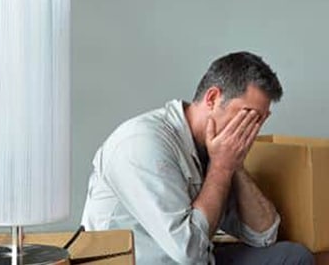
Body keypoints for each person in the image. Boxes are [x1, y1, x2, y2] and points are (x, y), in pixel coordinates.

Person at [81, 51, 314, 265]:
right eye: (247, 117)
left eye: (259, 122)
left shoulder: (213, 149)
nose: (250, 131)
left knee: (293, 258)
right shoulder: (142, 142)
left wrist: (235, 165)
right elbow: (188, 252)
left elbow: (264, 234)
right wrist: (221, 168)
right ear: (212, 98)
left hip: (199, 257)